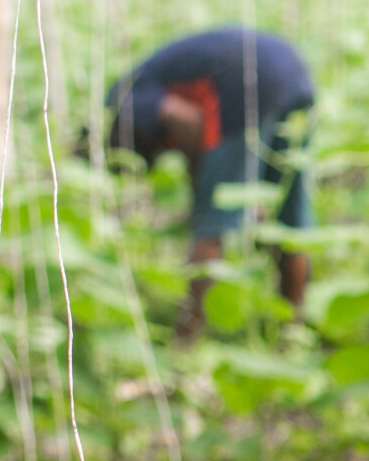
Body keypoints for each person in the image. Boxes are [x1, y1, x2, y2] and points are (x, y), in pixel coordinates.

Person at [104, 26, 316, 333]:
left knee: (211, 222)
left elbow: (188, 120)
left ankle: (186, 336)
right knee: (290, 221)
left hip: (245, 83)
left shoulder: (122, 97)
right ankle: (293, 330)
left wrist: (201, 181)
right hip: (295, 73)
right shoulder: (148, 80)